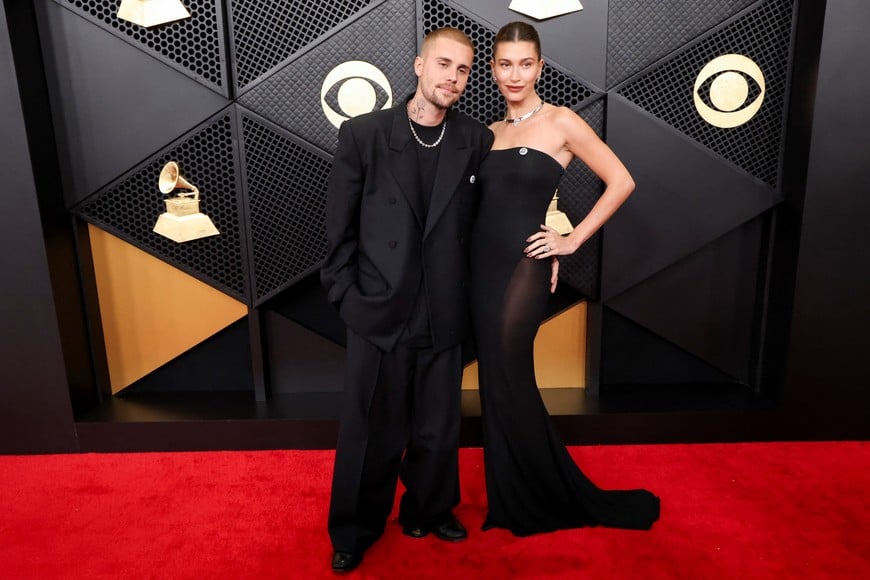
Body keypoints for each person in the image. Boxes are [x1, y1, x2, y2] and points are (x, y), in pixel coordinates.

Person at [469, 21, 661, 536]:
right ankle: (511, 499)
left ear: (540, 67)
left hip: (524, 266)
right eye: (505, 64)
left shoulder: (561, 122)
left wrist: (570, 240)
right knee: (494, 383)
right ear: (492, 68)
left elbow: (621, 180)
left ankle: (550, 496)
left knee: (510, 378)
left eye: (525, 63)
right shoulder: (487, 133)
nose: (515, 73)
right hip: (480, 270)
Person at [320, 28, 494, 572]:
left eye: (464, 70)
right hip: (378, 309)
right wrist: (349, 297)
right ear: (419, 65)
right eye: (444, 64)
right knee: (370, 430)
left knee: (438, 426)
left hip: (443, 308)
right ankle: (353, 529)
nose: (453, 77)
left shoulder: (475, 140)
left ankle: (429, 508)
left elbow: (487, 227)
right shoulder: (364, 135)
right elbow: (338, 233)